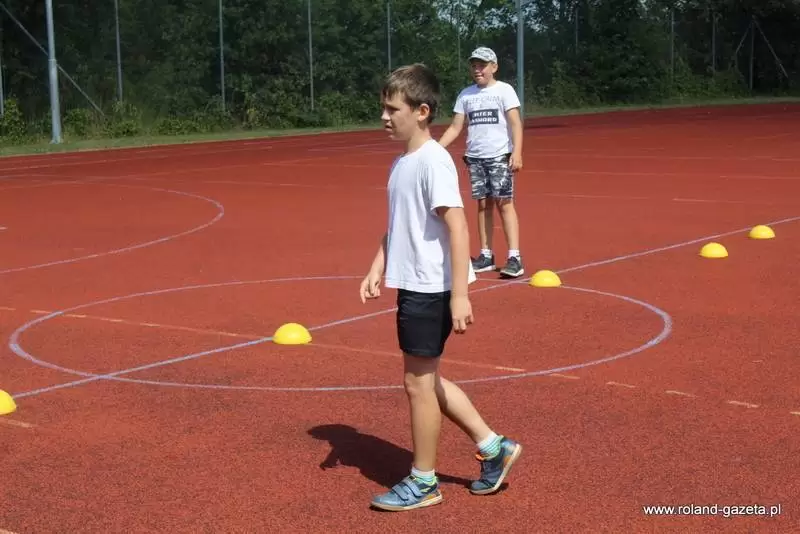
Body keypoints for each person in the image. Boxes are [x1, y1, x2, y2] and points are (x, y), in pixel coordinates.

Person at [359, 63, 522, 512]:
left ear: (422, 111)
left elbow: (457, 227)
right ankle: (493, 447)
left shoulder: (433, 161)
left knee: (417, 383)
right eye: (383, 108)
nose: (384, 117)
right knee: (426, 378)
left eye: (392, 109)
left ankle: (424, 480)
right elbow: (399, 225)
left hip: (431, 288)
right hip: (415, 284)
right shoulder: (401, 163)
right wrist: (377, 266)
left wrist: (461, 295)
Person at [439, 46, 525, 278]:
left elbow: (515, 123)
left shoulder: (504, 90)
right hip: (475, 158)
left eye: (482, 66)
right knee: (483, 205)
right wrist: (434, 148)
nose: (478, 70)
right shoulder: (466, 95)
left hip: (499, 156)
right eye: (474, 66)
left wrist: (517, 152)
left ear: (494, 67)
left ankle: (515, 257)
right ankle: (486, 255)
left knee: (504, 203)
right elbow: (455, 127)